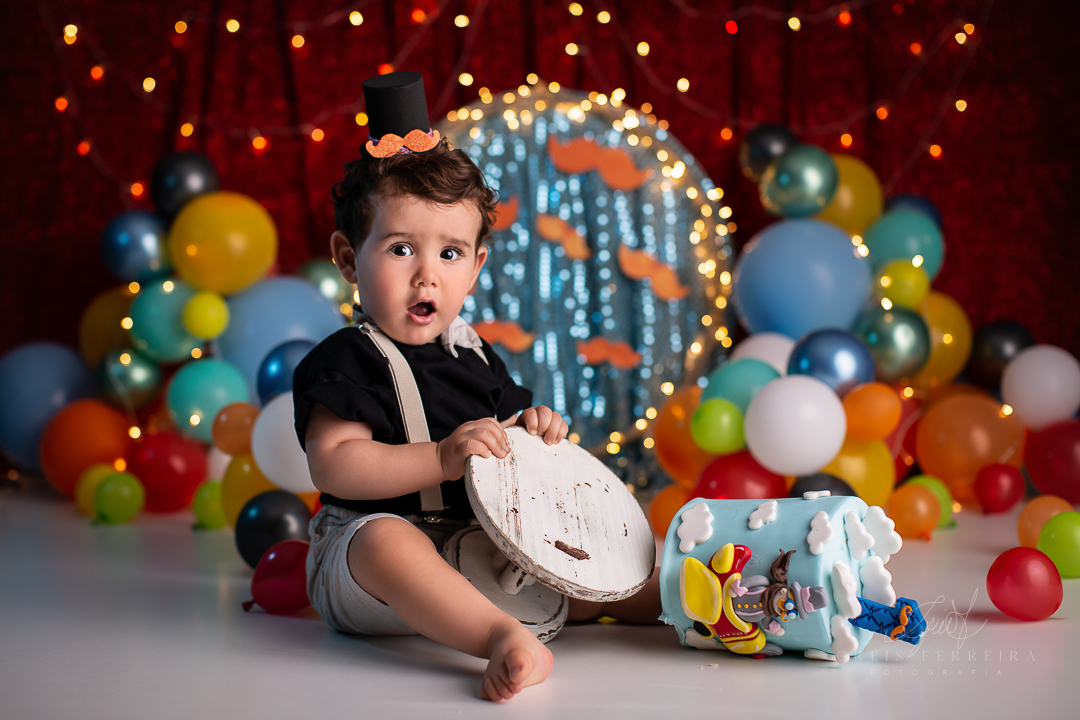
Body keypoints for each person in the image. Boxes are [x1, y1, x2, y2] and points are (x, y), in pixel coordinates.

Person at [293, 72, 660, 703]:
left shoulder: (472, 354)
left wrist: (536, 431)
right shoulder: (346, 360)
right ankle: (500, 636)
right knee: (385, 540)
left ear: (477, 265)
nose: (426, 277)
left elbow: (514, 439)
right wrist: (439, 456)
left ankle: (684, 601)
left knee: (588, 557)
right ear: (350, 259)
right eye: (402, 249)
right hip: (369, 566)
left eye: (451, 254)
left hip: (479, 545)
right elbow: (336, 464)